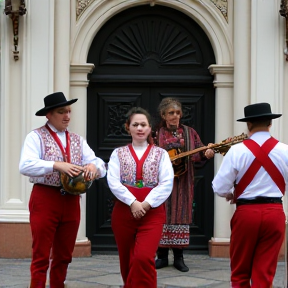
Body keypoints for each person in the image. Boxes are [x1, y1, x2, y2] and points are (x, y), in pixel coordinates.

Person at [19, 92, 107, 288]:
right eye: (61, 112)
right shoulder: (36, 136)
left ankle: (58, 284)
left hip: (71, 200)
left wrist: (93, 167)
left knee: (65, 253)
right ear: (48, 115)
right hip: (45, 197)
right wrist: (56, 165)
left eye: (69, 111)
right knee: (41, 252)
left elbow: (98, 163)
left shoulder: (77, 139)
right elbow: (25, 165)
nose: (67, 116)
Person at [212, 102, 288, 288]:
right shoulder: (285, 150)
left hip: (246, 213)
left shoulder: (236, 150)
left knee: (240, 273)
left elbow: (219, 187)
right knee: (264, 274)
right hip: (274, 212)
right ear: (270, 123)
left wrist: (232, 193)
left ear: (249, 125)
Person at [107, 107, 174, 288]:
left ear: (150, 128)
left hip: (151, 213)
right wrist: (132, 202)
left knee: (143, 258)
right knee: (127, 259)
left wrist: (145, 204)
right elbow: (113, 182)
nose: (139, 128)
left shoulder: (161, 154)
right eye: (135, 124)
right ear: (128, 127)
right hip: (123, 213)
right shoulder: (118, 154)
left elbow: (166, 183)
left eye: (143, 124)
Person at [154, 97, 215, 272]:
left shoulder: (189, 132)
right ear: (163, 115)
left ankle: (179, 258)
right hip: (161, 184)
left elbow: (199, 152)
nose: (175, 116)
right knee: (161, 216)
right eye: (171, 113)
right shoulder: (156, 134)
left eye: (177, 113)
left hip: (183, 183)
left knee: (181, 215)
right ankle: (162, 257)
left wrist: (207, 153)